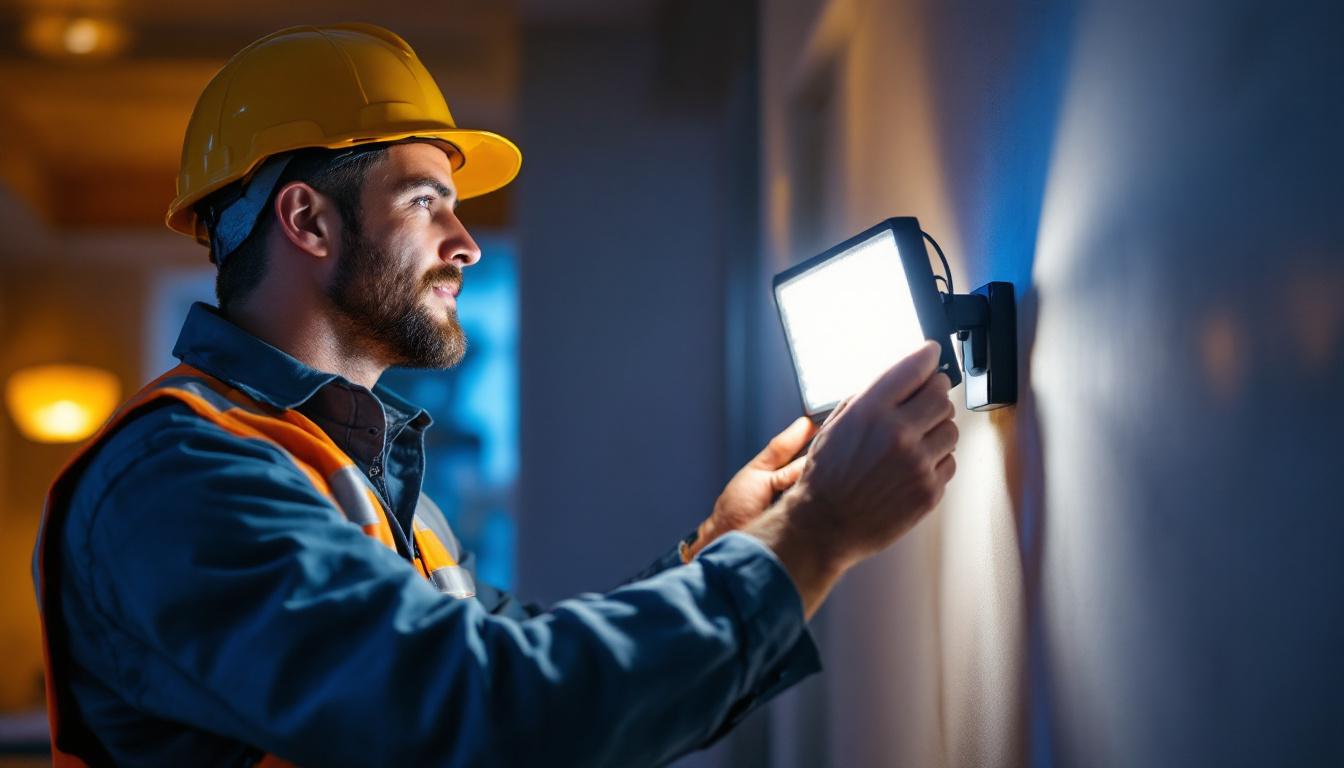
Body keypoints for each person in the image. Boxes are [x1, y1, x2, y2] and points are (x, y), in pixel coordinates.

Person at [32, 23, 959, 767]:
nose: (466, 242)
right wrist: (814, 534)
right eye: (425, 201)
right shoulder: (183, 480)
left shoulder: (356, 476)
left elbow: (521, 667)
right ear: (308, 220)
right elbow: (485, 716)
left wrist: (720, 547)